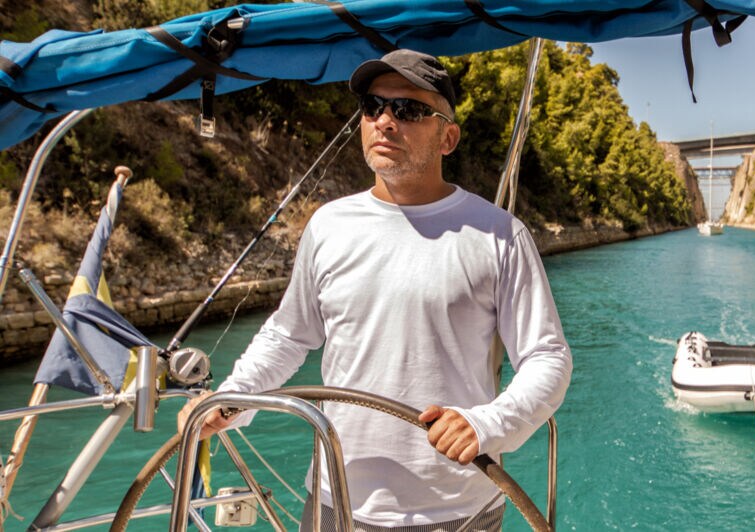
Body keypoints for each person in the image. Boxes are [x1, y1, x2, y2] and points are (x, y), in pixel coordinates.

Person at [178, 49, 573, 531]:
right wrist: (234, 398)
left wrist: (487, 423)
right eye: (373, 107)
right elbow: (289, 335)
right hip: (333, 500)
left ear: (448, 137)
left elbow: (547, 357)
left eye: (408, 110)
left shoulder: (499, 234)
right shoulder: (328, 225)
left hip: (455, 510)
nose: (385, 121)